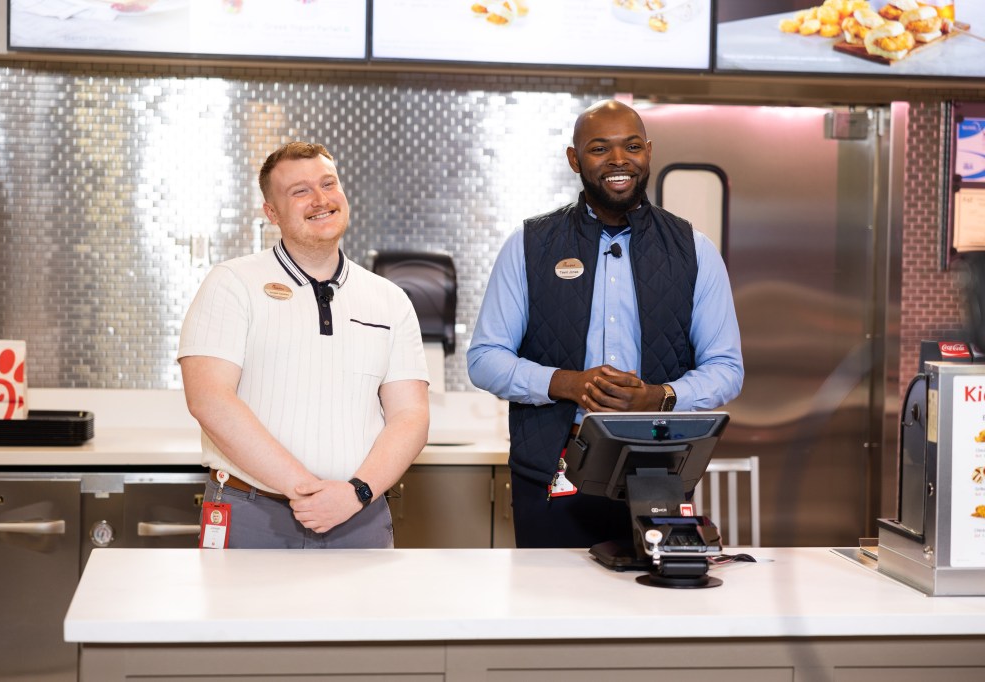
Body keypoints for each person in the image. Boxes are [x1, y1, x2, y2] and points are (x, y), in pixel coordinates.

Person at [467, 100, 744, 549]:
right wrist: (565, 383)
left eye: (631, 146)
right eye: (600, 149)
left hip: (659, 467)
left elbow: (726, 367)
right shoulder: (529, 245)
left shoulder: (695, 250)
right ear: (574, 159)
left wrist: (661, 396)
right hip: (553, 469)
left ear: (649, 152)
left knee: (653, 608)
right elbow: (484, 359)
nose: (619, 160)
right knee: (550, 606)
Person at [178, 141, 430, 549]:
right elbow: (209, 399)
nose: (320, 200)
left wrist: (356, 493)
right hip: (252, 513)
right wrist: (307, 492)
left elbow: (411, 414)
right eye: (300, 191)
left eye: (328, 184)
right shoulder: (232, 283)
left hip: (359, 516)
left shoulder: (389, 299)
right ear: (271, 213)